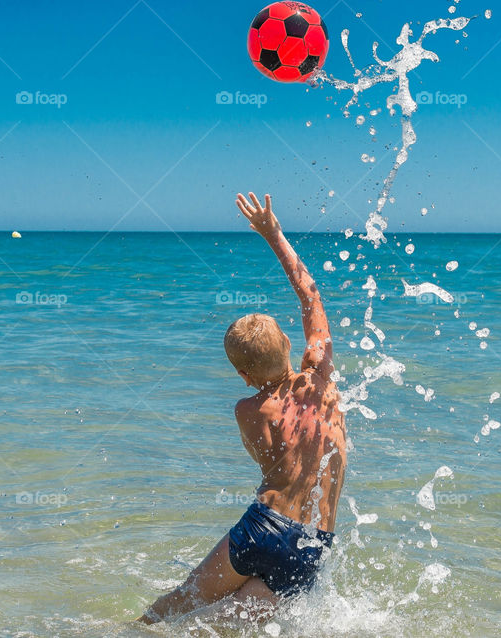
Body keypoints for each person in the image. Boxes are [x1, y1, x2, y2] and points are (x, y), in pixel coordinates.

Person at [138, 192, 347, 624]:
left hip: (265, 529)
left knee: (183, 604)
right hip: (313, 545)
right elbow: (310, 296)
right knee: (230, 623)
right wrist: (273, 233)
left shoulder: (247, 410)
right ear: (291, 345)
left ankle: (124, 632)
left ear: (245, 377)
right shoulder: (319, 379)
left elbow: (268, 463)